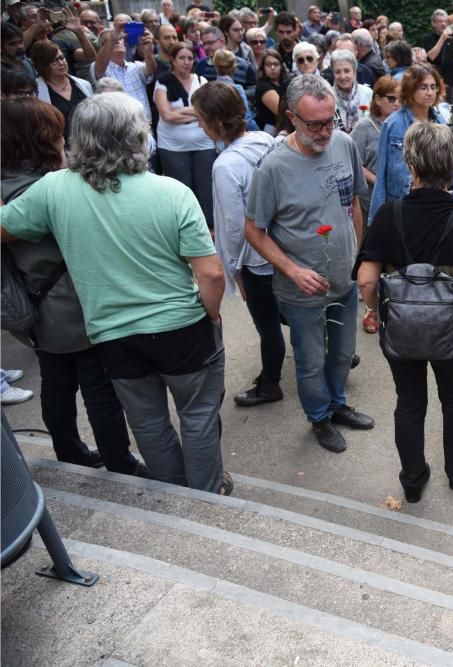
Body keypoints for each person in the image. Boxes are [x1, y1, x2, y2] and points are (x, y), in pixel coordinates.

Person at [0, 93, 231, 495]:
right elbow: (210, 274)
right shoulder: (171, 192)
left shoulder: (54, 189)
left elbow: (6, 228)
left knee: (148, 423)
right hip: (182, 329)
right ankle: (207, 496)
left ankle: (174, 493)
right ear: (137, 137)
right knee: (198, 416)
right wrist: (211, 315)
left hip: (114, 337)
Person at [1, 96, 144, 475]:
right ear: (37, 139)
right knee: (99, 387)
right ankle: (119, 461)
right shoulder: (44, 189)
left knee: (57, 382)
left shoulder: (7, 182)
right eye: (54, 133)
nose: (61, 140)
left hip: (37, 305)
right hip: (69, 304)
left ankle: (70, 453)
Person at [354, 122, 453, 502]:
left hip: (400, 330)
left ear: (411, 165)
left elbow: (366, 280)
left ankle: (413, 480)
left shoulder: (388, 215)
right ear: (452, 166)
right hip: (452, 333)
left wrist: (374, 313)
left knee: (410, 402)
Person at [244, 75, 374, 454]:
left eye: (330, 120)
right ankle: (319, 418)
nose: (324, 131)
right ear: (291, 117)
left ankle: (337, 405)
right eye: (314, 123)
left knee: (341, 353)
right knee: (311, 360)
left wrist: (356, 255)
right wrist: (293, 270)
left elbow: (354, 203)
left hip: (343, 282)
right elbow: (254, 231)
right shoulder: (273, 168)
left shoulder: (344, 143)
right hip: (302, 292)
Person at [191, 81, 281, 407]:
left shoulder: (226, 165)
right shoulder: (265, 140)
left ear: (216, 121)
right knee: (290, 310)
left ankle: (270, 383)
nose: (198, 125)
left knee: (269, 326)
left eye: (200, 119)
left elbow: (233, 225)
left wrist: (235, 270)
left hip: (257, 257)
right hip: (284, 246)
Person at [369, 64, 449, 223]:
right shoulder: (393, 124)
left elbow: (448, 170)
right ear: (410, 89)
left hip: (433, 205)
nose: (430, 93)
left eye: (433, 87)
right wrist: (376, 218)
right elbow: (382, 172)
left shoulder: (441, 123)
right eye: (423, 87)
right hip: (400, 204)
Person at [154, 42, 216, 228]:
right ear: (172, 60)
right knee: (182, 189)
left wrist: (181, 112)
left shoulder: (202, 81)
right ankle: (185, 228)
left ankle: (209, 229)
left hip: (203, 144)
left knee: (206, 190)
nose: (186, 62)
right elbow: (166, 115)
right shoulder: (163, 81)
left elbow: (208, 112)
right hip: (172, 146)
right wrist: (195, 112)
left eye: (190, 58)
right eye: (181, 58)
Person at [351, 76, 401, 235]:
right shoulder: (364, 127)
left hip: (397, 200)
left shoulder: (402, 126)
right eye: (392, 98)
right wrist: (379, 181)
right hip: (368, 201)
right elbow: (354, 162)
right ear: (378, 99)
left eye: (401, 99)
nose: (397, 103)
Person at [31, 40, 93, 144]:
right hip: (59, 149)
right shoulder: (35, 92)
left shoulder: (84, 85)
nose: (61, 63)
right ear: (42, 65)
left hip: (89, 144)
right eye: (54, 61)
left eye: (62, 58)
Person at [93, 24, 157, 121]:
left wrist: (148, 49)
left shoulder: (136, 66)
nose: (117, 40)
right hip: (119, 130)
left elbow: (151, 70)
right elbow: (99, 67)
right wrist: (112, 39)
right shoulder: (99, 68)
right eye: (108, 41)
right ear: (101, 48)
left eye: (120, 38)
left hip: (144, 126)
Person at [324, 49, 372, 133]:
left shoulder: (368, 93)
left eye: (347, 71)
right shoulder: (327, 96)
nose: (342, 76)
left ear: (354, 72)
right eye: (338, 72)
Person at [196, 26, 256, 92]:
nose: (206, 47)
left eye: (210, 43)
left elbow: (254, 91)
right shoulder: (201, 66)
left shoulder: (245, 66)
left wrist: (235, 94)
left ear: (222, 41)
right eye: (204, 44)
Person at [212, 49, 259, 131]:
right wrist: (260, 135)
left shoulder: (209, 89)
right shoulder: (237, 89)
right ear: (234, 67)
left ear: (215, 66)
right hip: (235, 135)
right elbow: (246, 118)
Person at [424, 9, 453, 106]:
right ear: (433, 23)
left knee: (449, 113)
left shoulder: (450, 39)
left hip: (450, 81)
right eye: (440, 21)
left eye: (445, 21)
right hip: (435, 82)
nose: (443, 24)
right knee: (437, 111)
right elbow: (431, 57)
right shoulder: (428, 38)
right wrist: (442, 38)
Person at [254, 48, 289, 135]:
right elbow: (282, 112)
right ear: (263, 67)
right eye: (268, 64)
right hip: (270, 133)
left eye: (276, 64)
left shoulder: (283, 83)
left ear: (281, 66)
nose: (272, 68)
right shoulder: (263, 86)